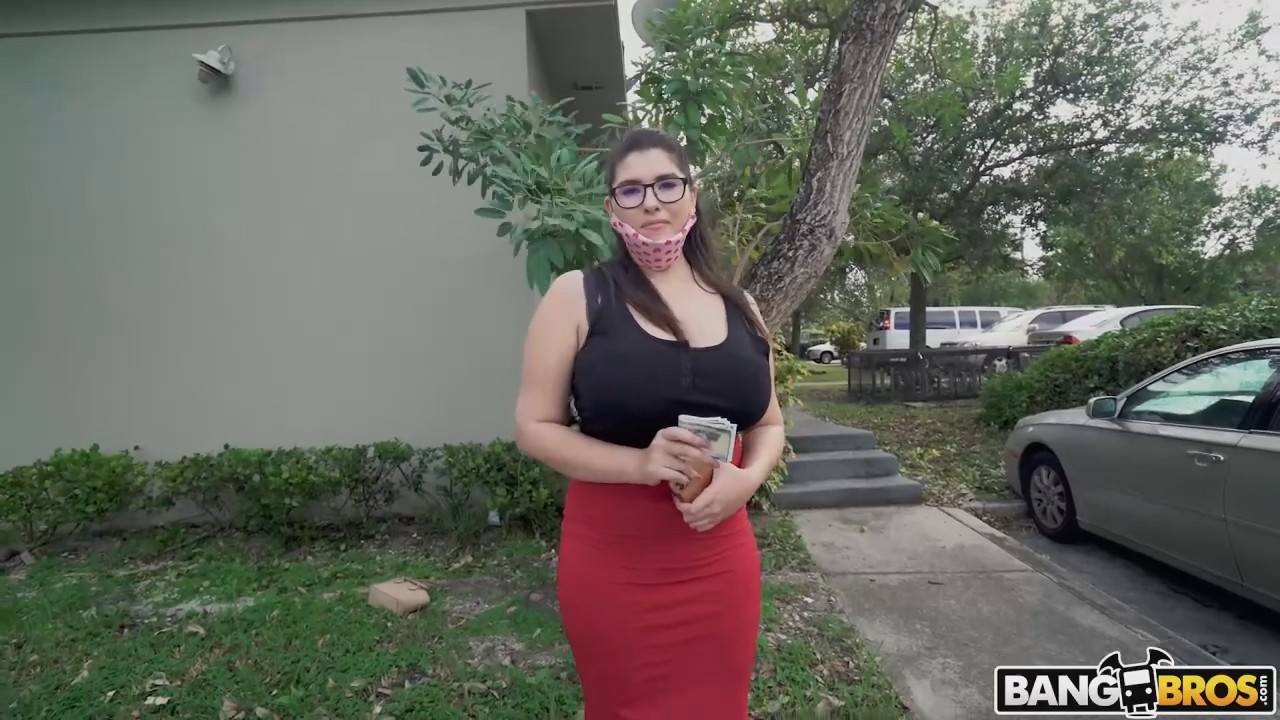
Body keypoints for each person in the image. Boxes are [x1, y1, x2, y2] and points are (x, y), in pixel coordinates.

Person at [513, 127, 787, 719]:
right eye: (631, 190)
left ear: (692, 194)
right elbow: (534, 425)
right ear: (612, 208)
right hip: (614, 563)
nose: (652, 202)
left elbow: (768, 423)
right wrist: (639, 464)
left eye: (667, 184)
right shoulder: (578, 296)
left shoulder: (741, 307)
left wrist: (747, 481)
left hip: (720, 560)